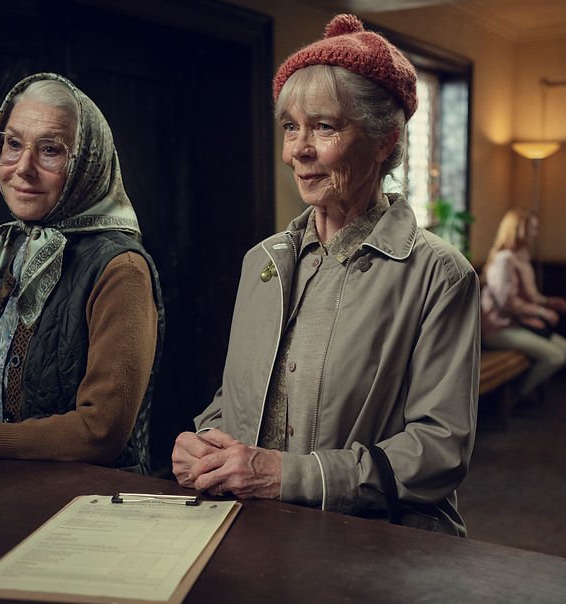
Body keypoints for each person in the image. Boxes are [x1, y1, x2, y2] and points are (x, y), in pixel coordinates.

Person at [171, 15, 480, 535]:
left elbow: (438, 451)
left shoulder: (440, 275)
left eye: (325, 126)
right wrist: (203, 439)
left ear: (387, 140)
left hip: (375, 545)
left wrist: (289, 477)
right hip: (253, 533)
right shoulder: (261, 262)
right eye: (290, 126)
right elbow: (239, 399)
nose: (298, 150)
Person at [0, 73, 164, 470]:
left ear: (87, 162)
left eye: (50, 150)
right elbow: (13, 402)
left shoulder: (120, 269)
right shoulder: (12, 248)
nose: (23, 168)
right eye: (13, 144)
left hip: (83, 511)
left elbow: (100, 432)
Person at [481, 208, 566, 401]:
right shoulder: (504, 260)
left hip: (519, 324)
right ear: (519, 230)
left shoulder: (520, 257)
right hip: (499, 329)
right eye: (532, 228)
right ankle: (517, 396)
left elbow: (529, 296)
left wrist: (549, 302)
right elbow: (508, 303)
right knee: (555, 357)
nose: (536, 232)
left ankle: (520, 391)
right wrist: (543, 313)